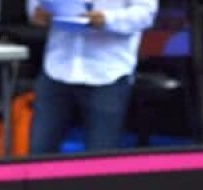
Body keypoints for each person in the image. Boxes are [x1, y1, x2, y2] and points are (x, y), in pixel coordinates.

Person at [25, 0, 158, 154]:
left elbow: (146, 14)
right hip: (58, 64)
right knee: (39, 150)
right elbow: (36, 5)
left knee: (100, 155)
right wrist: (36, 11)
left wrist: (107, 19)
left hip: (107, 70)